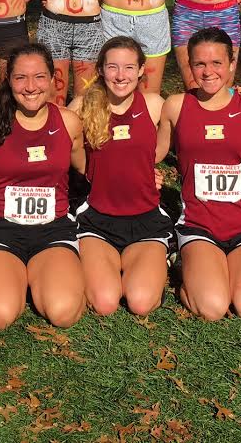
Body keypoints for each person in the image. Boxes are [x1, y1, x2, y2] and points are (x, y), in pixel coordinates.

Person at [156, 28, 241, 321]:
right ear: (190, 66)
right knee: (212, 307)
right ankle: (188, 262)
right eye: (200, 64)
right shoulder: (176, 105)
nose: (208, 72)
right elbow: (153, 155)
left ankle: (232, 267)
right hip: (199, 222)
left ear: (232, 64)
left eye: (217, 63)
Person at [0, 42, 85, 330]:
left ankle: (39, 278)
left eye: (39, 77)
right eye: (20, 77)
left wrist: (145, 174)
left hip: (53, 229)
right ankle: (5, 281)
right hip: (1, 229)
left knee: (63, 313)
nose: (30, 87)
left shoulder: (68, 122)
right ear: (8, 81)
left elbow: (90, 168)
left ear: (52, 80)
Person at [69, 37, 171, 316]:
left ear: (141, 70)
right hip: (97, 219)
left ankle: (164, 260)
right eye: (112, 67)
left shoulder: (153, 104)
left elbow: (198, 113)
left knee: (140, 302)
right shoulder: (82, 105)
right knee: (104, 303)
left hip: (146, 218)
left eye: (129, 67)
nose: (121, 75)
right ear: (100, 70)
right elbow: (48, 129)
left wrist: (234, 92)